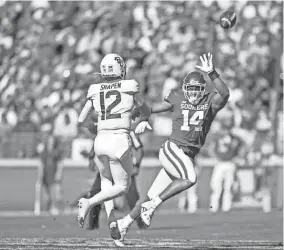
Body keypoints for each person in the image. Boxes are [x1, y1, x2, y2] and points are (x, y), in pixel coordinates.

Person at [114, 53, 230, 245]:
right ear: (185, 89)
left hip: (184, 155)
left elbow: (225, 94)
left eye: (196, 90)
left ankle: (122, 225)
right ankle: (152, 206)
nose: (193, 93)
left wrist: (212, 73)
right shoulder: (177, 98)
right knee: (189, 178)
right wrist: (142, 118)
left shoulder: (210, 103)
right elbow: (151, 109)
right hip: (173, 149)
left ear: (203, 90)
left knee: (148, 196)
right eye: (190, 89)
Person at [77, 53, 151, 246]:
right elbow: (145, 109)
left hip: (100, 140)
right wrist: (142, 117)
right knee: (122, 187)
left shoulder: (95, 89)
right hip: (119, 140)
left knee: (106, 181)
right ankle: (90, 202)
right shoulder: (130, 86)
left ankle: (112, 225)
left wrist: (93, 127)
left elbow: (82, 119)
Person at [209, 115, 244, 213]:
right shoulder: (218, 137)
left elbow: (242, 149)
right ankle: (214, 206)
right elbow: (211, 150)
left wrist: (237, 157)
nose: (225, 131)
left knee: (228, 186)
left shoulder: (234, 138)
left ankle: (226, 207)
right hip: (221, 163)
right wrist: (216, 158)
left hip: (229, 163)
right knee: (216, 186)